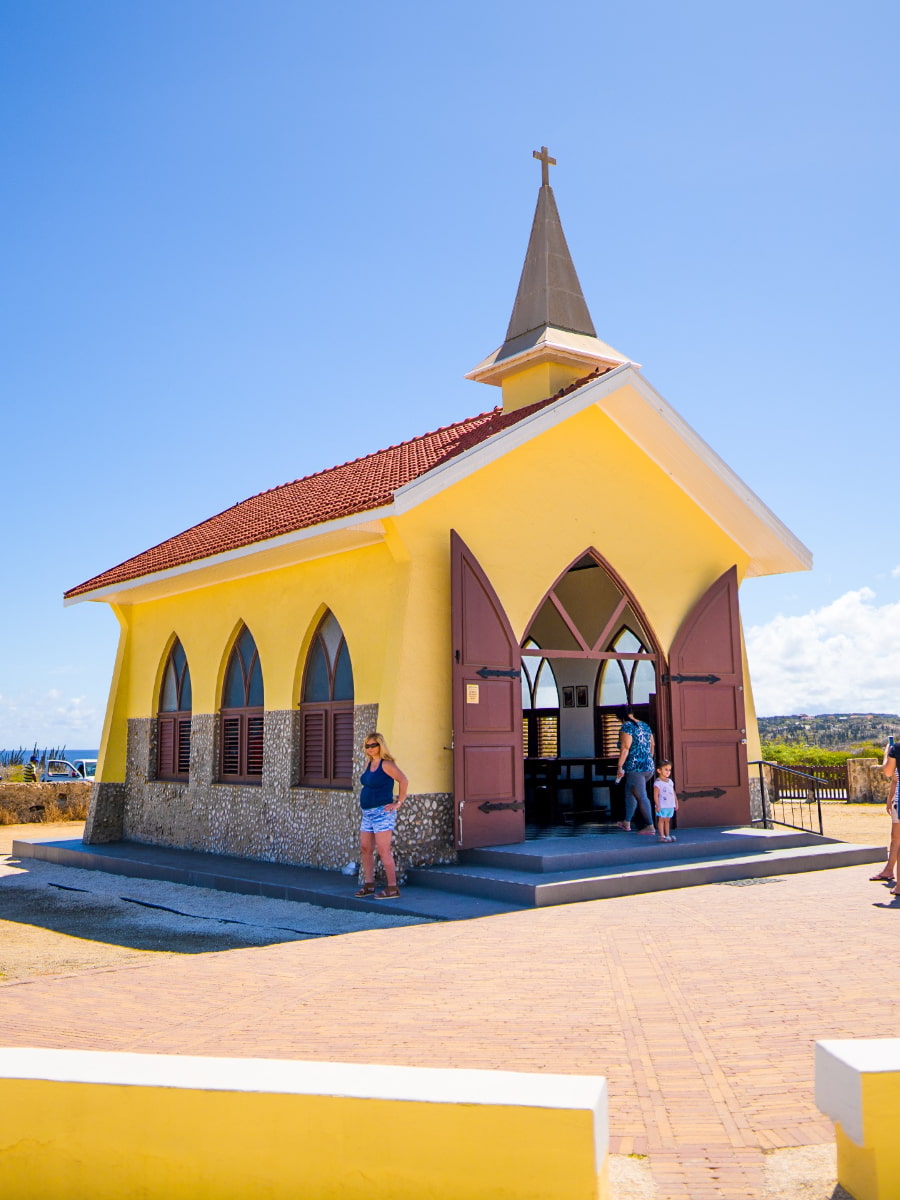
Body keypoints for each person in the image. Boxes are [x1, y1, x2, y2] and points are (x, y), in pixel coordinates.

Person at [354, 732, 408, 900]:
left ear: (380, 746)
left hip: (382, 813)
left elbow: (403, 780)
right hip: (367, 813)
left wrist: (398, 802)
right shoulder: (369, 763)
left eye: (373, 745)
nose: (370, 749)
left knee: (384, 850)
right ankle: (369, 884)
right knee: (365, 848)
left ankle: (392, 887)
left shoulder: (387, 764)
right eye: (367, 746)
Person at [614, 705, 656, 835]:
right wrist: (648, 758)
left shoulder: (627, 727)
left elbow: (625, 748)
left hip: (635, 767)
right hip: (648, 767)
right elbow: (652, 745)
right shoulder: (645, 725)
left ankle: (650, 826)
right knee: (630, 792)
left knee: (641, 796)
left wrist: (620, 766)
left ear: (620, 717)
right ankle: (627, 822)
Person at [653, 759, 678, 842]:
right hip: (662, 805)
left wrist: (676, 802)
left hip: (670, 804)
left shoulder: (670, 781)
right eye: (666, 770)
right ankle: (662, 836)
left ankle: (667, 835)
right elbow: (656, 795)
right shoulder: (658, 783)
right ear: (659, 770)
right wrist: (657, 805)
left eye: (669, 770)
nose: (668, 772)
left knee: (667, 820)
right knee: (661, 820)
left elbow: (673, 792)